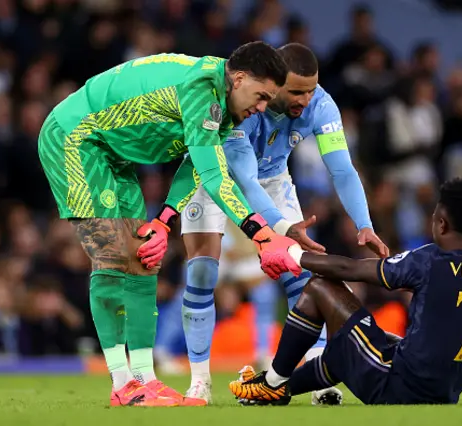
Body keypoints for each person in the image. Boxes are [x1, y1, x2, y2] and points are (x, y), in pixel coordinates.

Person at [37, 41, 304, 408]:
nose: (260, 109)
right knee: (114, 257)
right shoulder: (201, 89)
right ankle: (122, 383)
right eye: (260, 97)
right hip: (77, 137)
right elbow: (213, 173)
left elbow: (193, 165)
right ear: (239, 78)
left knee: (145, 259)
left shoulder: (224, 108)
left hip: (114, 156)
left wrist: (164, 220)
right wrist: (261, 233)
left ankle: (145, 379)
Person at [179, 43, 389, 405]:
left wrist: (364, 223)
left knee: (303, 278)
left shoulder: (322, 105)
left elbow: (341, 168)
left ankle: (316, 376)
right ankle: (200, 381)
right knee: (201, 273)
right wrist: (281, 227)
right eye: (296, 91)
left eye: (311, 89)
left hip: (274, 181)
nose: (305, 99)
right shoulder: (245, 103)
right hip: (215, 178)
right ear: (273, 85)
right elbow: (243, 181)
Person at [230, 178, 462, 405]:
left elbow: (349, 270)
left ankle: (273, 383)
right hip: (446, 391)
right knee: (380, 338)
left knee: (320, 286)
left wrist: (293, 254)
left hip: (396, 386)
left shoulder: (432, 261)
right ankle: (283, 388)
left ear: (441, 224)